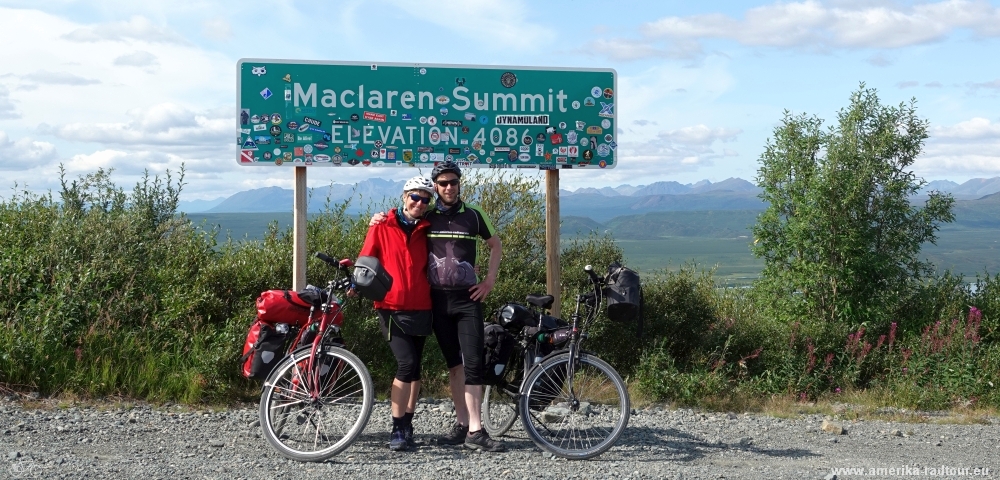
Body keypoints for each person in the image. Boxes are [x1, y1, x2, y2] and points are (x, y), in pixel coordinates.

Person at [371, 161, 504, 452]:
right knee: (454, 365)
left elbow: (496, 245)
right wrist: (379, 218)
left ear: (459, 184)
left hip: (468, 299)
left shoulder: (474, 215)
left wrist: (490, 280)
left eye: (453, 182)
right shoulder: (427, 217)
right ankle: (463, 424)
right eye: (443, 183)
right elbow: (399, 223)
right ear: (435, 187)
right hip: (437, 300)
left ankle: (476, 429)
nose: (448, 187)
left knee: (472, 364)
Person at [356, 176, 436, 452]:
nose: (419, 203)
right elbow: (366, 259)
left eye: (425, 199)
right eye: (415, 196)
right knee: (406, 364)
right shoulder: (382, 225)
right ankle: (397, 425)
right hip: (390, 306)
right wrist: (358, 286)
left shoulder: (429, 227)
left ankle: (408, 423)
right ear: (404, 196)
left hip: (423, 305)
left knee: (415, 368)